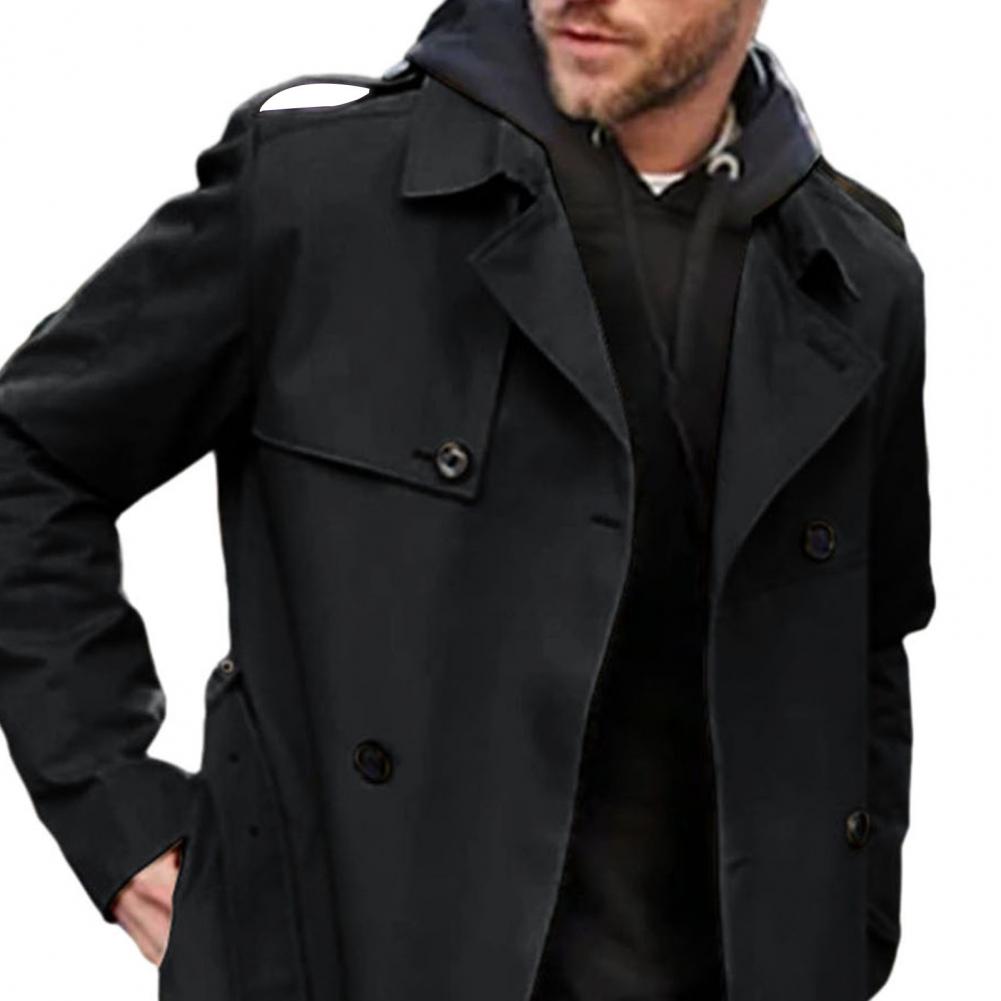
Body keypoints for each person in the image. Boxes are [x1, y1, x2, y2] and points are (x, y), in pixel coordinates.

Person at [0, 1, 935, 999]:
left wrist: (849, 922)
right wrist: (119, 815)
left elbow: (864, 638)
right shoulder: (318, 197)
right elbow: (30, 454)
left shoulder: (855, 280)